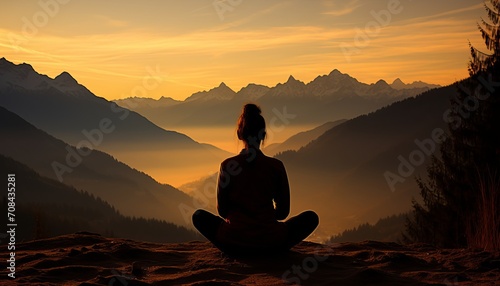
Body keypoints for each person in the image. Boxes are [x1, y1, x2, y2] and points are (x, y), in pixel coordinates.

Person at [192, 103, 319, 255]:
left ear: (240, 135)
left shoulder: (227, 166)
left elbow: (223, 211)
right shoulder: (276, 166)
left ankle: (238, 249)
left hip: (233, 241)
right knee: (311, 218)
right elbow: (283, 213)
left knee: (199, 216)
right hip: (271, 242)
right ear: (263, 135)